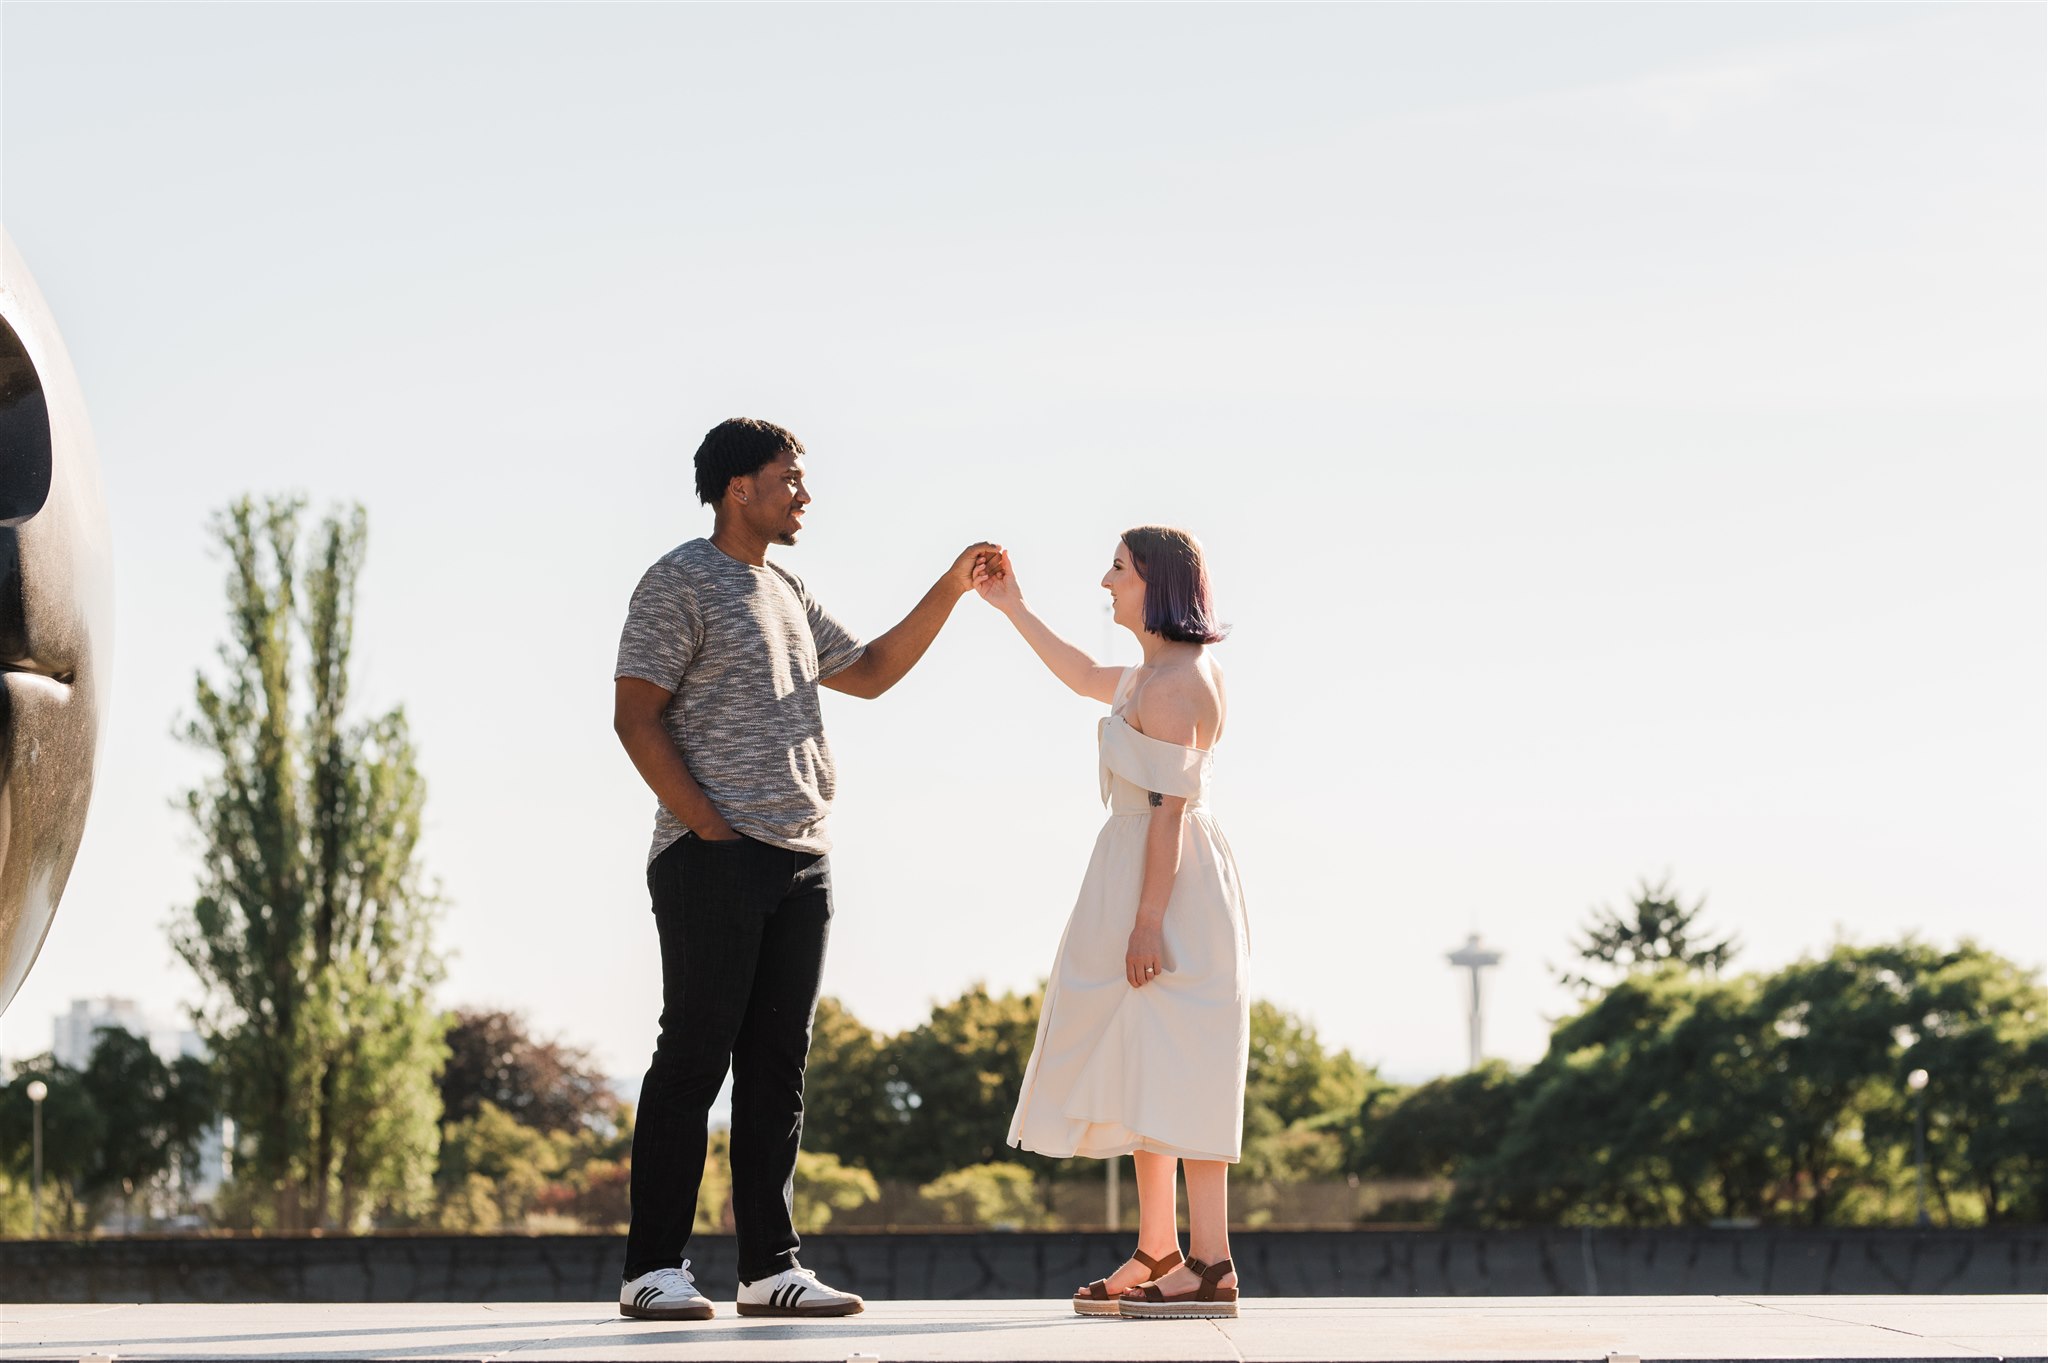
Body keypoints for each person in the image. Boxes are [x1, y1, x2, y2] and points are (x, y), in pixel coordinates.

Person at [612, 416, 996, 1321]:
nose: (804, 493)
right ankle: (651, 1269)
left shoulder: (783, 586)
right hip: (714, 858)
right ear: (739, 486)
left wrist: (950, 587)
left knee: (779, 1063)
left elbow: (870, 671)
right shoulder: (679, 580)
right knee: (695, 1054)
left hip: (801, 858)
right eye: (790, 477)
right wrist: (712, 829)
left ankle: (768, 1267)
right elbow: (636, 716)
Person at [972, 528, 1250, 1321]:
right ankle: (1159, 1247)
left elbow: (1169, 812)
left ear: (1153, 583)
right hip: (1141, 871)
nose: (1106, 581)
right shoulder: (1152, 674)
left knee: (1186, 1059)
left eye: (1119, 570)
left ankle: (1211, 1260)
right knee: (1146, 1060)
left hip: (1169, 882)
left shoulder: (1177, 682)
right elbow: (1084, 674)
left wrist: (1147, 921)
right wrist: (1011, 606)